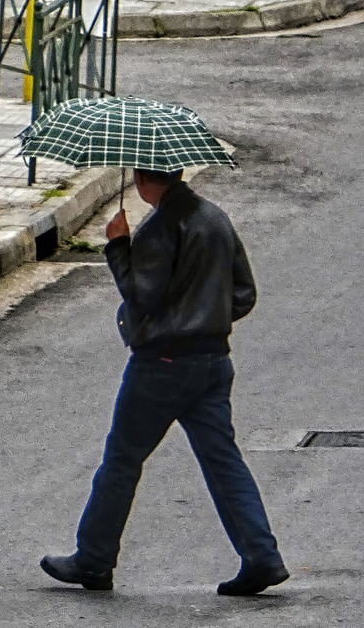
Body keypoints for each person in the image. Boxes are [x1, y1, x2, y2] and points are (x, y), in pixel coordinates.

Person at [41, 169, 288, 596]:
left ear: (141, 179)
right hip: (212, 361)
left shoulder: (159, 227)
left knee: (122, 460)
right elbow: (244, 294)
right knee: (223, 462)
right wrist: (206, 320)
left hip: (162, 364)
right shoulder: (214, 217)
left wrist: (118, 245)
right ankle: (262, 556)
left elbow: (141, 294)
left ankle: (94, 559)